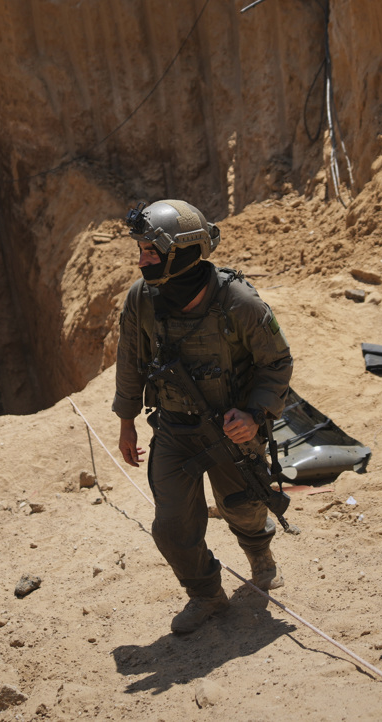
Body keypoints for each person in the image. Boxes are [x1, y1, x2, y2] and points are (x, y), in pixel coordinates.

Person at [113, 200, 294, 634]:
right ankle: (206, 595)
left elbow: (277, 363)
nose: (142, 261)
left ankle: (259, 553)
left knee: (244, 507)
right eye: (141, 250)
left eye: (151, 252)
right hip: (174, 429)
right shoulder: (141, 299)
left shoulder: (238, 302)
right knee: (171, 526)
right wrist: (126, 420)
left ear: (184, 253)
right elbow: (130, 360)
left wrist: (254, 415)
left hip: (232, 433)